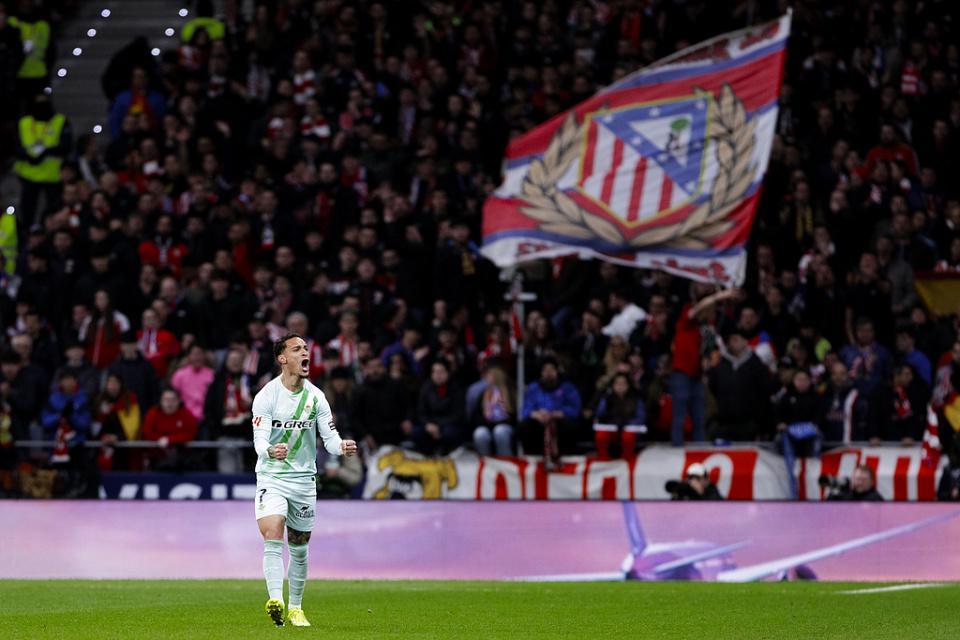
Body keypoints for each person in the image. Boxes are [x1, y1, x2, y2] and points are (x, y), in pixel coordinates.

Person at [251, 332, 357, 627]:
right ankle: (276, 600)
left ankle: (296, 607)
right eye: (297, 349)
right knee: (273, 533)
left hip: (303, 481)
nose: (305, 353)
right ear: (282, 359)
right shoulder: (266, 396)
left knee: (299, 547)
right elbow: (259, 440)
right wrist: (270, 450)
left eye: (306, 348)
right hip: (272, 476)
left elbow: (330, 439)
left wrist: (341, 446)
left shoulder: (316, 397)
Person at [670, 286, 739, 446]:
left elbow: (709, 354)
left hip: (697, 376)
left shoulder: (708, 329)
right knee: (679, 415)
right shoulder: (685, 320)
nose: (710, 312)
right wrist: (720, 295)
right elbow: (696, 309)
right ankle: (676, 449)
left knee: (700, 416)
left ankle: (699, 448)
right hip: (682, 373)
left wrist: (709, 363)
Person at [14, 94, 71, 234]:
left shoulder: (60, 121)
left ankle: (52, 234)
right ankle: (28, 234)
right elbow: (15, 145)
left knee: (52, 209)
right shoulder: (24, 122)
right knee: (27, 210)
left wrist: (46, 152)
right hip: (28, 174)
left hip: (52, 175)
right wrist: (27, 156)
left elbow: (66, 146)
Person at [518, 357, 582, 467]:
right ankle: (534, 459)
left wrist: (557, 413)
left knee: (569, 425)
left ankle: (564, 458)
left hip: (560, 421)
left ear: (557, 371)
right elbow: (525, 410)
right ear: (541, 373)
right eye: (545, 370)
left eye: (551, 369)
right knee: (524, 426)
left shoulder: (568, 388)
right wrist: (536, 414)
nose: (548, 373)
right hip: (539, 422)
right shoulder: (533, 388)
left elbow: (575, 409)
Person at [592, 372, 646, 460]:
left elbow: (640, 418)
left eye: (623, 383)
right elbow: (599, 415)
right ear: (613, 385)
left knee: (628, 435)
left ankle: (627, 458)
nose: (620, 386)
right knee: (601, 434)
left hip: (628, 429)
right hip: (612, 429)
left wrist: (626, 424)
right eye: (617, 383)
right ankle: (603, 458)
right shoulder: (606, 398)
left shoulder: (636, 399)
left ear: (628, 385)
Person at [142, 388, 198, 471]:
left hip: (182, 460)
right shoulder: (153, 414)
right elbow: (147, 432)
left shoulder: (186, 414)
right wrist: (159, 440)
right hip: (156, 457)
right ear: (161, 401)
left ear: (179, 401)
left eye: (173, 400)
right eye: (166, 400)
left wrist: (169, 440)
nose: (169, 403)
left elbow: (191, 433)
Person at [472, 366, 515, 456]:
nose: (486, 377)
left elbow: (513, 414)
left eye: (489, 375)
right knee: (480, 433)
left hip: (505, 425)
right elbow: (476, 415)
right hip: (487, 425)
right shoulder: (484, 393)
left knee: (500, 431)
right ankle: (485, 460)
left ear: (497, 376)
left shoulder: (509, 392)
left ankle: (505, 460)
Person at [170, 344, 214, 422]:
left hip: (207, 417)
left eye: (199, 354)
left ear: (204, 356)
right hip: (184, 418)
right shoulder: (179, 375)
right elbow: (173, 396)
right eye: (194, 354)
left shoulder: (212, 374)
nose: (197, 357)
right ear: (189, 356)